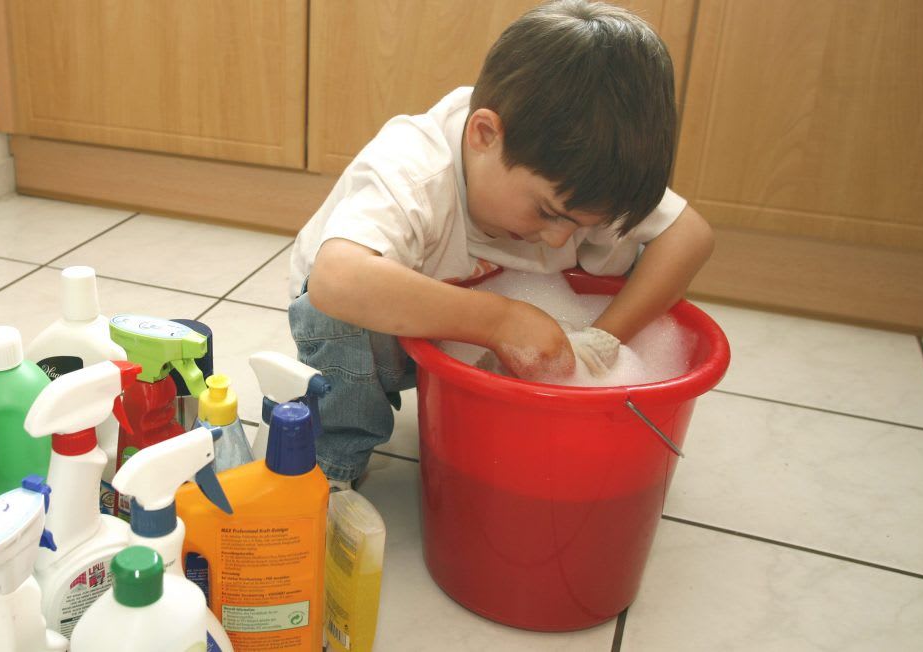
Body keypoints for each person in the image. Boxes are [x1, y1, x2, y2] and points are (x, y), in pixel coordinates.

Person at [286, 0, 715, 488]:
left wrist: (599, 341)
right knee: (335, 311)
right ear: (484, 135)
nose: (559, 238)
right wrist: (502, 322)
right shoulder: (415, 169)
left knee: (639, 261)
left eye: (581, 225)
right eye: (549, 212)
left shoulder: (575, 175)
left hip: (469, 324)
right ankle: (334, 466)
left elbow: (691, 235)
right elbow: (337, 280)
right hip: (379, 334)